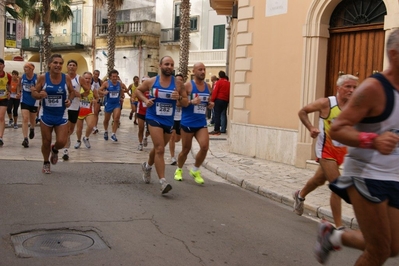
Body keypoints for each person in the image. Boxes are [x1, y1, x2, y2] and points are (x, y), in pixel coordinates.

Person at [314, 29, 399, 265]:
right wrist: (373, 140)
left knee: (393, 247)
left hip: (394, 176)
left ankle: (333, 236)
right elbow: (338, 128)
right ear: (395, 54)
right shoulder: (374, 88)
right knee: (379, 250)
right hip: (366, 174)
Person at [292, 74, 358, 230]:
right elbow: (302, 112)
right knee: (337, 186)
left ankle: (300, 195)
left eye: (355, 87)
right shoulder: (326, 103)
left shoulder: (355, 106)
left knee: (318, 180)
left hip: (342, 152)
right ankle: (339, 227)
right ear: (339, 88)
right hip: (325, 151)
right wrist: (311, 128)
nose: (352, 90)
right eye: (348, 86)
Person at [136, 56, 188, 194]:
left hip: (168, 120)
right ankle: (163, 182)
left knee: (158, 148)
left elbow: (186, 102)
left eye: (171, 64)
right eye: (166, 64)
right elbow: (138, 91)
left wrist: (180, 98)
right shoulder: (152, 81)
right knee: (160, 149)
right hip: (153, 117)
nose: (169, 66)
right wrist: (145, 100)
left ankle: (147, 166)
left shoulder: (178, 84)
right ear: (160, 66)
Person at [31, 54, 75, 174]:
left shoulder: (66, 78)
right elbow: (34, 93)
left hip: (61, 115)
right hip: (46, 115)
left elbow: (72, 92)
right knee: (46, 141)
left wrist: (69, 100)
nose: (58, 65)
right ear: (49, 64)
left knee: (62, 141)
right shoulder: (43, 78)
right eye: (55, 63)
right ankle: (46, 162)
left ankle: (54, 149)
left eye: (60, 63)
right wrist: (40, 95)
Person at [174, 63, 214, 184]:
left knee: (205, 147)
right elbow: (178, 103)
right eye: (200, 69)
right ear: (194, 71)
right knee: (185, 150)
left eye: (204, 69)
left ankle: (195, 170)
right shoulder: (187, 86)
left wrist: (210, 104)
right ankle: (179, 169)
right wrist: (191, 101)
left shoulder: (208, 86)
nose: (203, 71)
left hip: (201, 123)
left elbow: (209, 101)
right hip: (187, 122)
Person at [62, 59, 91, 160]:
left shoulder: (79, 78)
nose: (71, 67)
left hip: (74, 106)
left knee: (71, 129)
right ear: (67, 67)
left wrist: (81, 94)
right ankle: (65, 150)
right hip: (64, 106)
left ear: (76, 67)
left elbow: (87, 91)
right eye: (70, 65)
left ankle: (68, 138)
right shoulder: (62, 77)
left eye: (74, 65)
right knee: (65, 128)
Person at [98, 69, 126, 142]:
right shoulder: (106, 83)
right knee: (106, 120)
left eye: (116, 76)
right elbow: (99, 90)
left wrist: (122, 95)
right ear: (110, 77)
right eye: (113, 76)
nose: (115, 78)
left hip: (116, 104)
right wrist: (104, 93)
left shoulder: (119, 83)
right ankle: (106, 131)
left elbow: (121, 90)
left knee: (116, 118)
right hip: (108, 103)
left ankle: (113, 134)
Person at [74, 72, 98, 149]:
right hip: (79, 110)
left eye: (89, 78)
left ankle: (86, 137)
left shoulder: (92, 88)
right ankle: (78, 140)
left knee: (91, 125)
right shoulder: (79, 87)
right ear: (82, 78)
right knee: (79, 128)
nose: (87, 80)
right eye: (86, 78)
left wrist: (95, 100)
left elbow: (97, 97)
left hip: (89, 110)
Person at [18, 63, 39, 148]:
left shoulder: (37, 77)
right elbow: (19, 85)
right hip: (24, 100)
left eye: (27, 68)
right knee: (25, 118)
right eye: (24, 67)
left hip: (34, 100)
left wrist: (35, 90)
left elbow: (40, 87)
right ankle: (25, 138)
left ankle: (32, 128)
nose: (25, 69)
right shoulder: (22, 77)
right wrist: (18, 93)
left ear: (31, 69)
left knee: (32, 119)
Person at [169, 73, 184, 165]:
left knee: (178, 139)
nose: (179, 81)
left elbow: (183, 103)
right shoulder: (171, 91)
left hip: (182, 118)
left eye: (180, 80)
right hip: (172, 118)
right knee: (172, 137)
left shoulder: (185, 91)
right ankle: (172, 157)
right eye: (177, 80)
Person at [209, 71, 230, 135]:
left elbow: (215, 91)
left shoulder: (218, 82)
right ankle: (223, 129)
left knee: (217, 115)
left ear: (219, 76)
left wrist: (212, 100)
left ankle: (216, 129)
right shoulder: (229, 83)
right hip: (225, 100)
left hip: (218, 100)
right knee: (223, 114)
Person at [134, 77, 150, 151]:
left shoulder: (152, 90)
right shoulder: (139, 90)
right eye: (143, 82)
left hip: (150, 112)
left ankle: (145, 137)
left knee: (149, 130)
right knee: (141, 128)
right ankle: (140, 143)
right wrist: (133, 99)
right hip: (141, 111)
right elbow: (133, 97)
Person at [0, 58, 12, 146]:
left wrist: (9, 92)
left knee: (1, 117)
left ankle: (0, 137)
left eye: (1, 64)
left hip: (3, 98)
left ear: (3, 66)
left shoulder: (8, 76)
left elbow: (9, 85)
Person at [91, 69, 102, 134]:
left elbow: (104, 88)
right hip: (90, 99)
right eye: (95, 74)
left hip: (97, 99)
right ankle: (91, 125)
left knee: (96, 113)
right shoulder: (90, 81)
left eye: (98, 74)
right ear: (93, 74)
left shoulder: (100, 81)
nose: (96, 76)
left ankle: (95, 127)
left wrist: (102, 94)